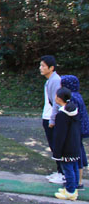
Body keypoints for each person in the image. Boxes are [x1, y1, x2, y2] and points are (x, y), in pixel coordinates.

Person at [52, 87, 81, 201]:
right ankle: (73, 188)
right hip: (74, 144)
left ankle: (70, 191)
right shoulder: (73, 110)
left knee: (68, 169)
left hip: (66, 147)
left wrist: (57, 151)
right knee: (74, 167)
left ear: (59, 98)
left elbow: (60, 134)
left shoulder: (62, 114)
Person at [61, 75, 89, 190]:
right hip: (80, 130)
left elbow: (71, 116)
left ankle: (77, 182)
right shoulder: (77, 96)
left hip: (76, 132)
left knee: (76, 155)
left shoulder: (72, 98)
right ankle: (77, 181)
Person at [40, 55, 63, 184]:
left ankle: (62, 173)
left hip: (51, 118)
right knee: (53, 146)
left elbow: (57, 102)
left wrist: (52, 120)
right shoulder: (50, 80)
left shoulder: (55, 81)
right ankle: (60, 171)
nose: (40, 68)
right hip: (47, 116)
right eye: (40, 65)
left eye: (43, 66)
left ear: (51, 67)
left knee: (57, 146)